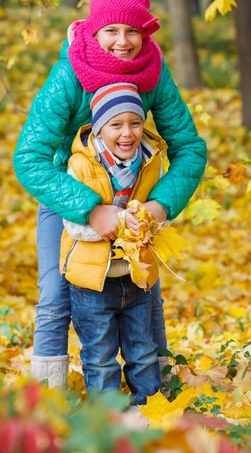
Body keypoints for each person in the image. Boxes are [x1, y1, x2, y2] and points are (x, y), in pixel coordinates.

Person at [13, 0, 207, 387]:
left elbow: (189, 147)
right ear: (94, 30)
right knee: (54, 295)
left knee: (147, 292)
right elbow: (29, 158)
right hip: (69, 195)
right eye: (112, 31)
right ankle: (46, 401)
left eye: (133, 30)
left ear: (146, 33)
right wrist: (90, 209)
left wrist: (160, 205)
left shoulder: (152, 71)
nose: (123, 41)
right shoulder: (69, 73)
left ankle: (159, 393)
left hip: (133, 197)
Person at [60, 83, 165, 405]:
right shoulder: (80, 165)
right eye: (116, 124)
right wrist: (120, 225)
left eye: (135, 123)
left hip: (137, 277)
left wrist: (150, 223)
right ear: (99, 127)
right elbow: (73, 224)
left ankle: (150, 412)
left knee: (143, 350)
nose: (127, 133)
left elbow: (161, 208)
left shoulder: (150, 161)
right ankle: (105, 419)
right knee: (100, 354)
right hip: (92, 281)